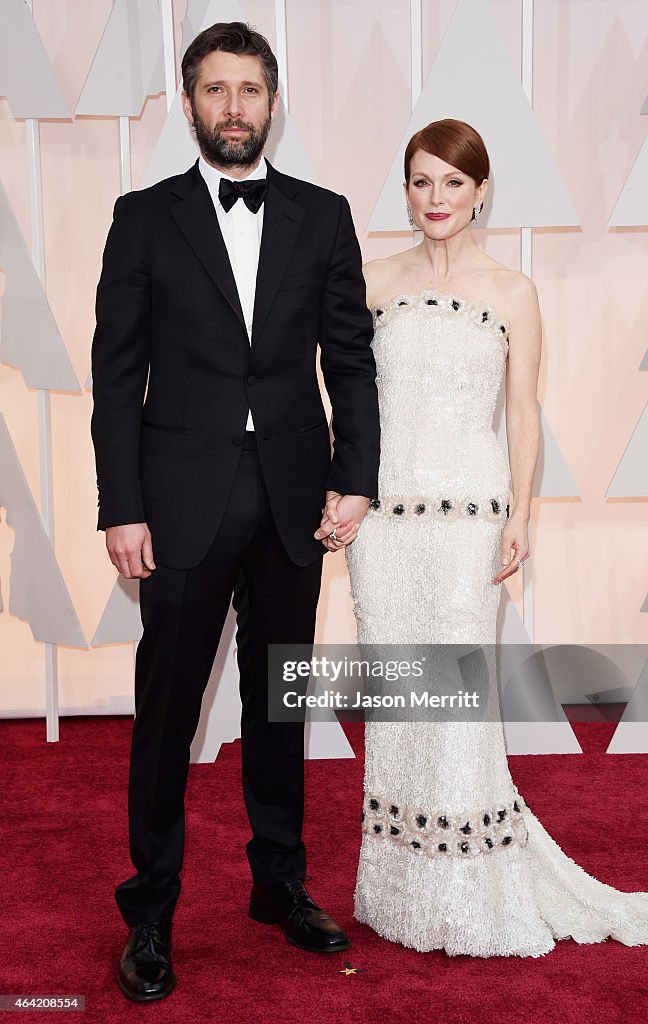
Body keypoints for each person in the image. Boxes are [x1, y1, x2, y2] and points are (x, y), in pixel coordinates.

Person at [318, 118, 648, 955]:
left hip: (465, 524)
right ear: (404, 192)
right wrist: (341, 490)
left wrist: (521, 513)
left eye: (452, 181)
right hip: (385, 527)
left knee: (456, 703)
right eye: (420, 181)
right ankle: (403, 888)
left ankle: (468, 890)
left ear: (481, 190)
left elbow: (522, 412)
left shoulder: (513, 291)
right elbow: (345, 405)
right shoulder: (371, 283)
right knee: (403, 701)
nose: (436, 198)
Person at [91, 22, 379, 1002]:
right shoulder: (142, 219)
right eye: (214, 90)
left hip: (295, 498)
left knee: (275, 699)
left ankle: (278, 883)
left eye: (248, 89)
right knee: (166, 711)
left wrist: (355, 477)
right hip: (175, 503)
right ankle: (152, 910)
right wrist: (120, 507)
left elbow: (348, 357)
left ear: (272, 102)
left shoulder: (322, 215)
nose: (232, 107)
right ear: (188, 104)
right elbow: (114, 373)